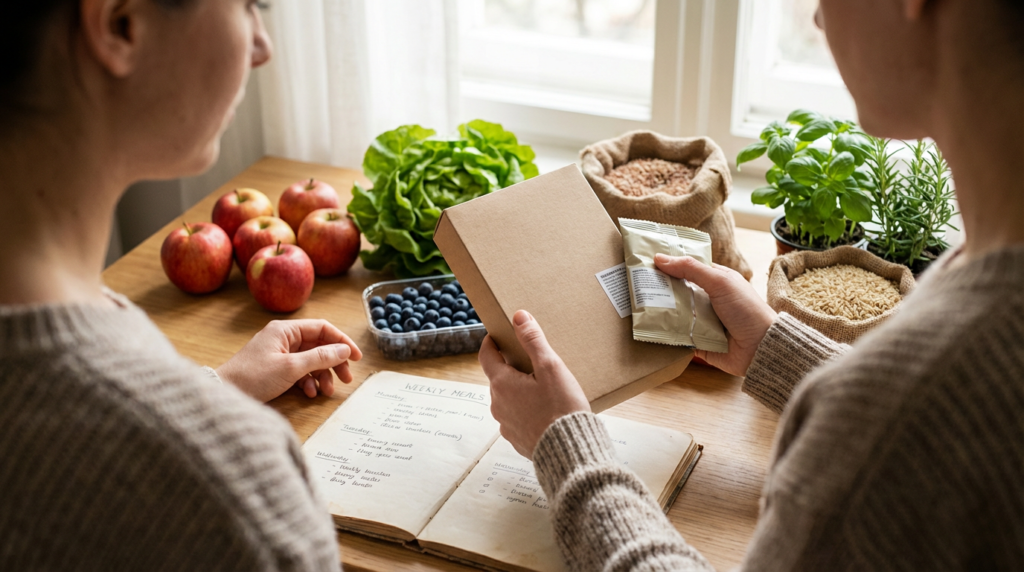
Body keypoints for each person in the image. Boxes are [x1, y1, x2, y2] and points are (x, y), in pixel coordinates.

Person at [481, 0, 1024, 569]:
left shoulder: (895, 413)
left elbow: (905, 425)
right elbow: (937, 448)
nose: (816, 18)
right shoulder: (983, 268)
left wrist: (566, 452)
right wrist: (778, 351)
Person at [0, 1, 358, 570]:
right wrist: (199, 425)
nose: (262, 48)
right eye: (248, 5)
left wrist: (213, 389)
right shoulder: (234, 497)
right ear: (122, 24)